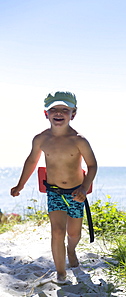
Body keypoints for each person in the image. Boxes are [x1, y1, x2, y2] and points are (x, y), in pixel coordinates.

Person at [11, 91, 97, 282]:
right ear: (46, 113)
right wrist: (20, 185)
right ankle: (61, 273)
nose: (59, 113)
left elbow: (92, 165)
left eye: (64, 110)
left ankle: (71, 250)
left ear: (73, 114)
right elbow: (32, 161)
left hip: (76, 193)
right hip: (54, 192)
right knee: (57, 231)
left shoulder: (79, 140)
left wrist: (84, 188)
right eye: (54, 109)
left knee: (74, 234)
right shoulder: (41, 139)